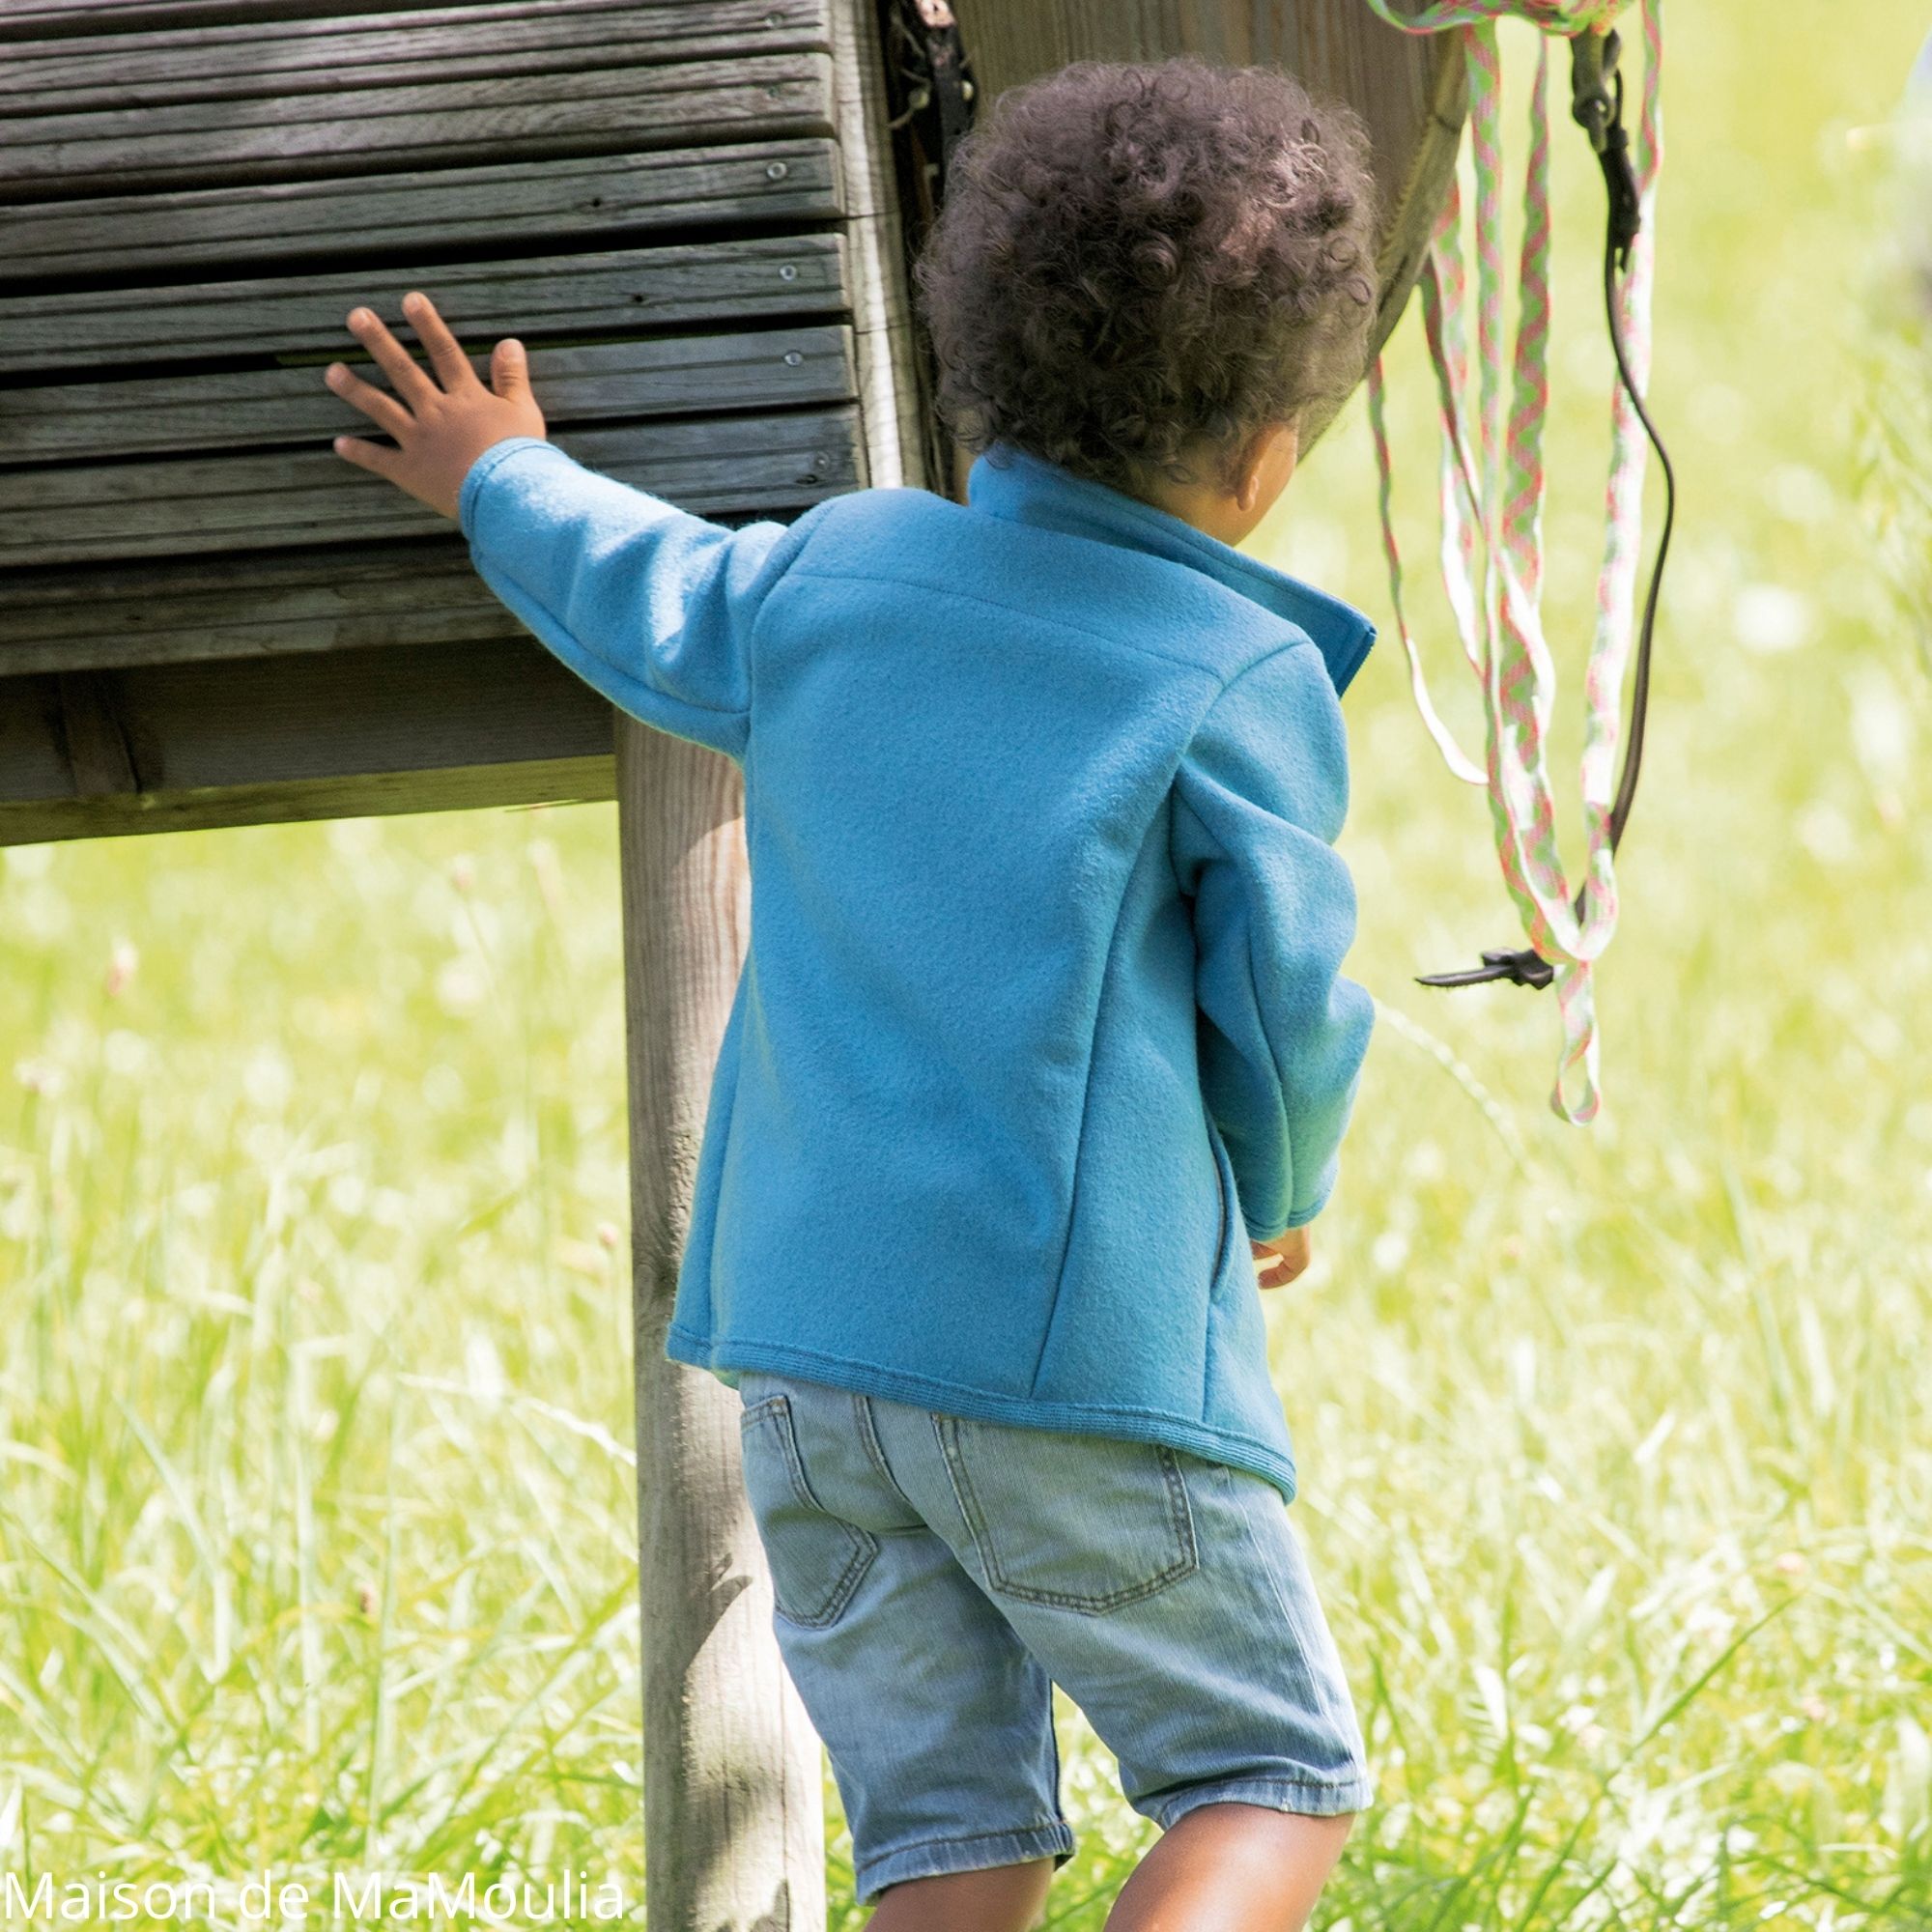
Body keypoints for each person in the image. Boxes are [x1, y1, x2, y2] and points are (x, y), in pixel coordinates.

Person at [325, 56, 1381, 1932]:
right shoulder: (1233, 676)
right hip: (1072, 1365)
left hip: (807, 1365)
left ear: (976, 366)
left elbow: (639, 586)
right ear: (1266, 454)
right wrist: (1283, 1186)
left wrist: (495, 472)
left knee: (948, 1830)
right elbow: (1285, 993)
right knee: (1260, 1776)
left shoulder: (837, 578)